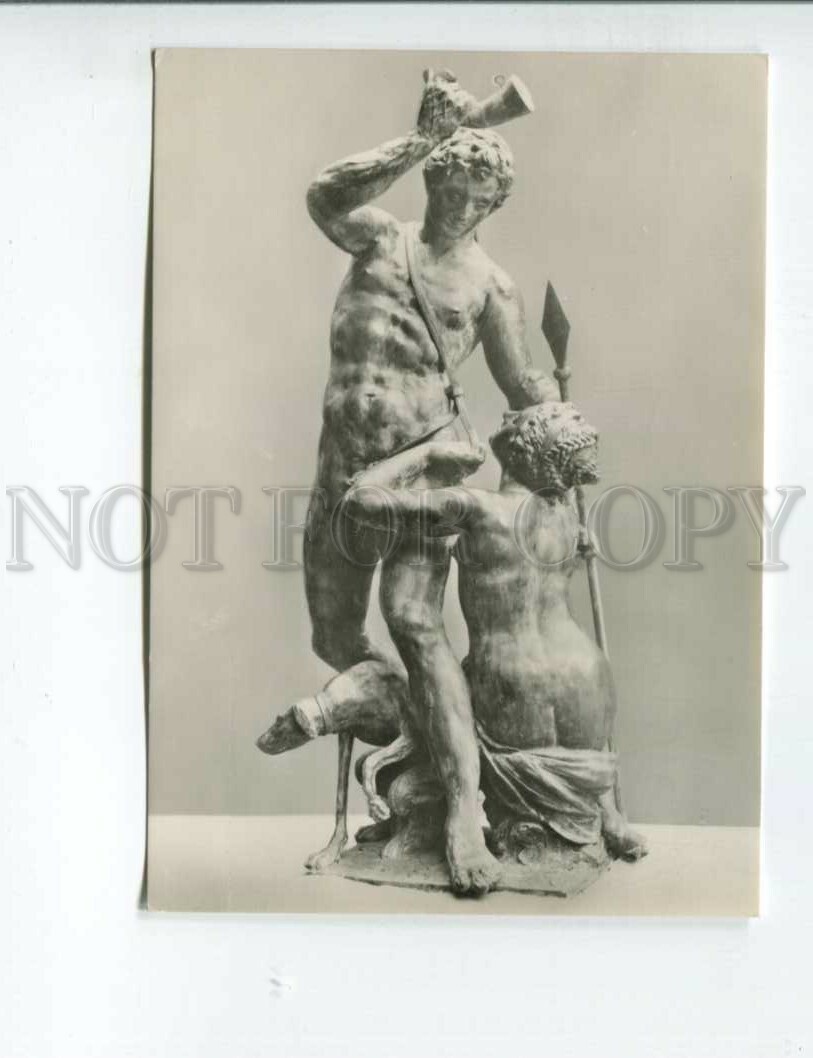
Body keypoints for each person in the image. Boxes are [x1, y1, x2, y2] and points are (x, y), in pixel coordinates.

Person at [303, 70, 557, 894]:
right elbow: (323, 195)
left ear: (494, 203)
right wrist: (421, 136)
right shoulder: (380, 239)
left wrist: (557, 427)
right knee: (333, 637)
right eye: (447, 185)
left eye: (475, 195)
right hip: (341, 462)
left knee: (414, 624)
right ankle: (419, 744)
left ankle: (463, 812)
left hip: (422, 464)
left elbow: (519, 386)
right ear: (431, 180)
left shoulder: (490, 286)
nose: (458, 203)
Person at [345, 402, 648, 862]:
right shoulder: (566, 516)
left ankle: (462, 812)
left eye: (518, 419)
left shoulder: (477, 508)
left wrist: (427, 455)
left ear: (522, 449)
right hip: (589, 689)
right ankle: (606, 812)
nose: (506, 417)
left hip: (513, 690)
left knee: (442, 692)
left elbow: (360, 501)